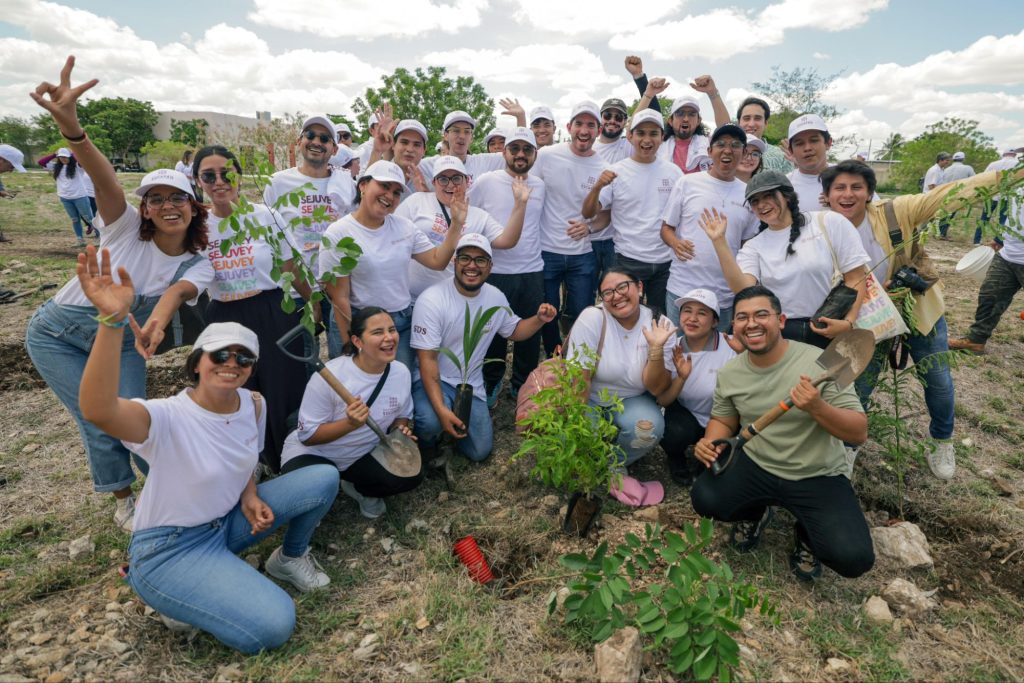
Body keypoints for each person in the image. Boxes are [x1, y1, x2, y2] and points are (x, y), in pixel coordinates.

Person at [75, 262, 338, 651]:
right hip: (171, 547)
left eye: (244, 358)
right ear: (196, 362)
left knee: (323, 476)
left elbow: (243, 458)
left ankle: (288, 558)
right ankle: (170, 591)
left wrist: (250, 495)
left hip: (225, 523)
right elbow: (98, 410)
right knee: (275, 625)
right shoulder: (165, 417)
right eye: (220, 354)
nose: (232, 363)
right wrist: (112, 323)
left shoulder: (253, 404)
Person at [25, 56, 214, 532]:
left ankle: (173, 487)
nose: (167, 206)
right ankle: (124, 500)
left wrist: (156, 322)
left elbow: (176, 294)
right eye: (156, 199)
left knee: (134, 418)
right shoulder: (124, 226)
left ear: (193, 207)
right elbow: (104, 177)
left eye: (177, 198)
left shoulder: (199, 261)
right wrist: (73, 131)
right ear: (144, 209)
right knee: (97, 419)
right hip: (57, 336)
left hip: (124, 341)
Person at [821, 159, 992, 479]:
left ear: (869, 193)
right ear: (827, 195)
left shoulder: (895, 211)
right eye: (839, 188)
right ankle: (846, 448)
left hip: (917, 307)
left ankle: (941, 441)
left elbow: (949, 194)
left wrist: (1007, 176)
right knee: (856, 385)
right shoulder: (822, 228)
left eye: (857, 187)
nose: (848, 194)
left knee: (937, 378)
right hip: (864, 319)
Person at [691, 285, 874, 582]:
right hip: (757, 464)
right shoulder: (730, 372)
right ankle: (755, 513)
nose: (751, 323)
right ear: (733, 326)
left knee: (853, 558)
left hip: (817, 473)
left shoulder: (823, 362)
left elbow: (858, 432)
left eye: (761, 314)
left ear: (781, 321)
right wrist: (710, 442)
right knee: (705, 498)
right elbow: (723, 420)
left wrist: (817, 407)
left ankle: (807, 534)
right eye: (742, 317)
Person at [185, 145, 312, 471]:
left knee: (284, 385)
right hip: (225, 317)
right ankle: (252, 461)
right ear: (198, 181)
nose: (219, 182)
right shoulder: (197, 226)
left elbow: (291, 266)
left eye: (226, 173)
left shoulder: (266, 216)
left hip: (273, 311)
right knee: (238, 389)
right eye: (208, 176)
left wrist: (314, 304)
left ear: (239, 176)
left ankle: (291, 457)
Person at [412, 233, 556, 462]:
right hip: (434, 379)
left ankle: (451, 428)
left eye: (480, 260)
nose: (472, 265)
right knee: (429, 421)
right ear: (454, 262)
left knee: (480, 451)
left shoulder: (495, 297)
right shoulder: (432, 299)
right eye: (465, 258)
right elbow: (427, 360)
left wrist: (539, 319)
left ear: (490, 267)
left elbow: (514, 331)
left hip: (469, 384)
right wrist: (440, 410)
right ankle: (428, 446)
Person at [319, 160, 463, 367]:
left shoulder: (405, 228)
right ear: (363, 185)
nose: (389, 196)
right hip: (360, 322)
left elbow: (437, 260)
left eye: (396, 192)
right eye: (384, 186)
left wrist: (456, 224)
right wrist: (352, 344)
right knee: (358, 380)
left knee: (399, 378)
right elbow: (339, 298)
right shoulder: (338, 233)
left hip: (399, 322)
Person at [702, 171, 869, 349]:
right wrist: (719, 242)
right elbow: (743, 289)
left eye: (768, 196)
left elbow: (856, 277)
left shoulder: (829, 222)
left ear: (787, 196)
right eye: (755, 201)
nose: (761, 205)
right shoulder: (754, 246)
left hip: (830, 326)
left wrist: (848, 322)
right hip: (781, 334)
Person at [280, 307, 420, 519]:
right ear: (357, 341)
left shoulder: (400, 372)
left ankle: (356, 486)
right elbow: (307, 436)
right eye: (377, 332)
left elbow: (402, 414)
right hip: (315, 453)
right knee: (307, 498)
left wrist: (400, 431)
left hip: (361, 454)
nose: (389, 337)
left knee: (410, 476)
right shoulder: (330, 376)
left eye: (392, 330)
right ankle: (315, 490)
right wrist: (350, 424)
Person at [564, 267, 676, 470]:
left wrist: (656, 350)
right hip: (590, 396)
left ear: (639, 287)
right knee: (576, 437)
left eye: (623, 287)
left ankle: (614, 464)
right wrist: (578, 426)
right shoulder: (592, 318)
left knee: (650, 429)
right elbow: (580, 379)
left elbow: (657, 388)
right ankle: (592, 459)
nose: (616, 296)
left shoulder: (660, 325)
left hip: (632, 398)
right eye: (608, 292)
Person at [471, 128, 547, 403]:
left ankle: (522, 386)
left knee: (530, 334)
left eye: (527, 149)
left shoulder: (540, 185)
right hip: (496, 272)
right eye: (514, 149)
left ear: (535, 154)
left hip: (531, 269)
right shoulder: (486, 181)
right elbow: (470, 215)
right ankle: (492, 381)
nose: (520, 155)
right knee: (493, 332)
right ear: (504, 152)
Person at [583, 108, 682, 317]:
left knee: (658, 318)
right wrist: (597, 187)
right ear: (630, 136)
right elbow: (589, 213)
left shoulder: (674, 172)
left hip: (665, 262)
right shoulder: (616, 171)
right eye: (641, 133)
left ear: (662, 137)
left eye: (653, 133)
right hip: (627, 259)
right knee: (624, 316)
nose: (647, 139)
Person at [661, 123, 760, 328]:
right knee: (676, 346)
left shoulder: (749, 194)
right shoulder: (687, 183)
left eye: (735, 145)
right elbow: (666, 229)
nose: (727, 150)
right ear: (709, 151)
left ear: (744, 153)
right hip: (682, 289)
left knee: (719, 347)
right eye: (721, 144)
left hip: (724, 295)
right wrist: (675, 243)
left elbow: (748, 245)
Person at [396, 154, 529, 301]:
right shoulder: (416, 201)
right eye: (443, 179)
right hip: (412, 299)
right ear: (434, 182)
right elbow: (393, 236)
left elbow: (507, 241)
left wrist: (520, 205)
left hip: (456, 301)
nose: (450, 185)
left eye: (457, 178)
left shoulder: (479, 215)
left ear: (467, 181)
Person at [532, 100, 608, 355]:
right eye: (579, 124)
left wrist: (589, 228)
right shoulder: (547, 155)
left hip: (582, 254)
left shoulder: (603, 167)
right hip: (546, 250)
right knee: (548, 313)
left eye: (590, 125)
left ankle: (577, 362)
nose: (584, 131)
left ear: (598, 130)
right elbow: (529, 193)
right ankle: (553, 358)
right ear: (568, 127)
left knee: (582, 314)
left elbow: (606, 215)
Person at [656, 288, 741, 486]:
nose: (692, 318)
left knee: (721, 470)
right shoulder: (673, 348)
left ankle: (709, 456)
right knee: (672, 432)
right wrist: (681, 378)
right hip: (689, 415)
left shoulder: (730, 347)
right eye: (687, 311)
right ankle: (676, 457)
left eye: (702, 313)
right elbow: (663, 400)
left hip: (725, 419)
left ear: (715, 321)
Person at [41, 147, 95, 246]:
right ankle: (80, 240)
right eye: (61, 157)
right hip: (65, 198)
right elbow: (41, 162)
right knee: (75, 219)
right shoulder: (56, 167)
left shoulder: (77, 167)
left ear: (70, 157)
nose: (63, 159)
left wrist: (73, 153)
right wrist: (54, 154)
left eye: (65, 157)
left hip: (80, 196)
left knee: (89, 218)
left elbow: (82, 161)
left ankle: (100, 237)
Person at [785, 114, 833, 213]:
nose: (807, 148)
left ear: (828, 143)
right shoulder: (784, 186)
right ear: (790, 150)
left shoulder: (849, 177)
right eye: (799, 143)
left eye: (814, 140)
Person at [973, 148, 1019, 244]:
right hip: (1007, 196)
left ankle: (976, 240)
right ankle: (998, 242)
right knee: (1003, 220)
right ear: (1014, 155)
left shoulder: (993, 164)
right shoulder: (1018, 164)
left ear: (1004, 154)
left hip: (991, 195)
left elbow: (984, 177)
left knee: (984, 218)